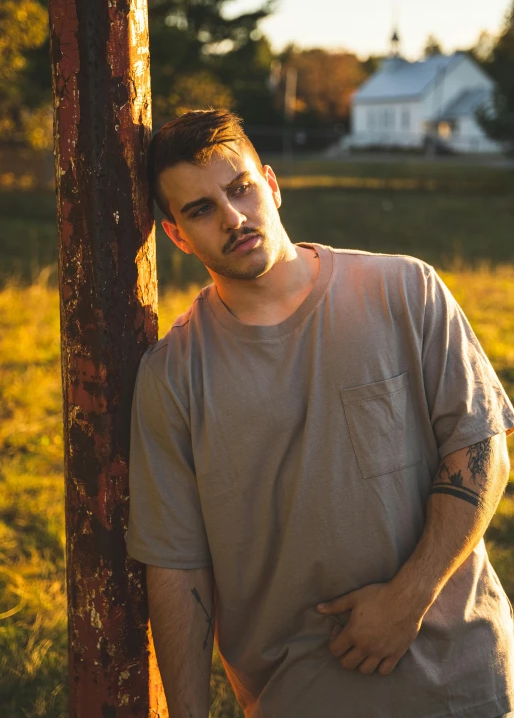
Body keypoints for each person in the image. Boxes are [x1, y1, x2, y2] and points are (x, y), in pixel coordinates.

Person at [126, 109, 514, 718]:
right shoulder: (173, 375)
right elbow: (177, 566)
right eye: (200, 210)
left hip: (459, 683)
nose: (231, 217)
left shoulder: (404, 289)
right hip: (296, 697)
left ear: (272, 186)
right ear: (177, 235)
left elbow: (482, 450)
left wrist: (407, 599)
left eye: (240, 189)